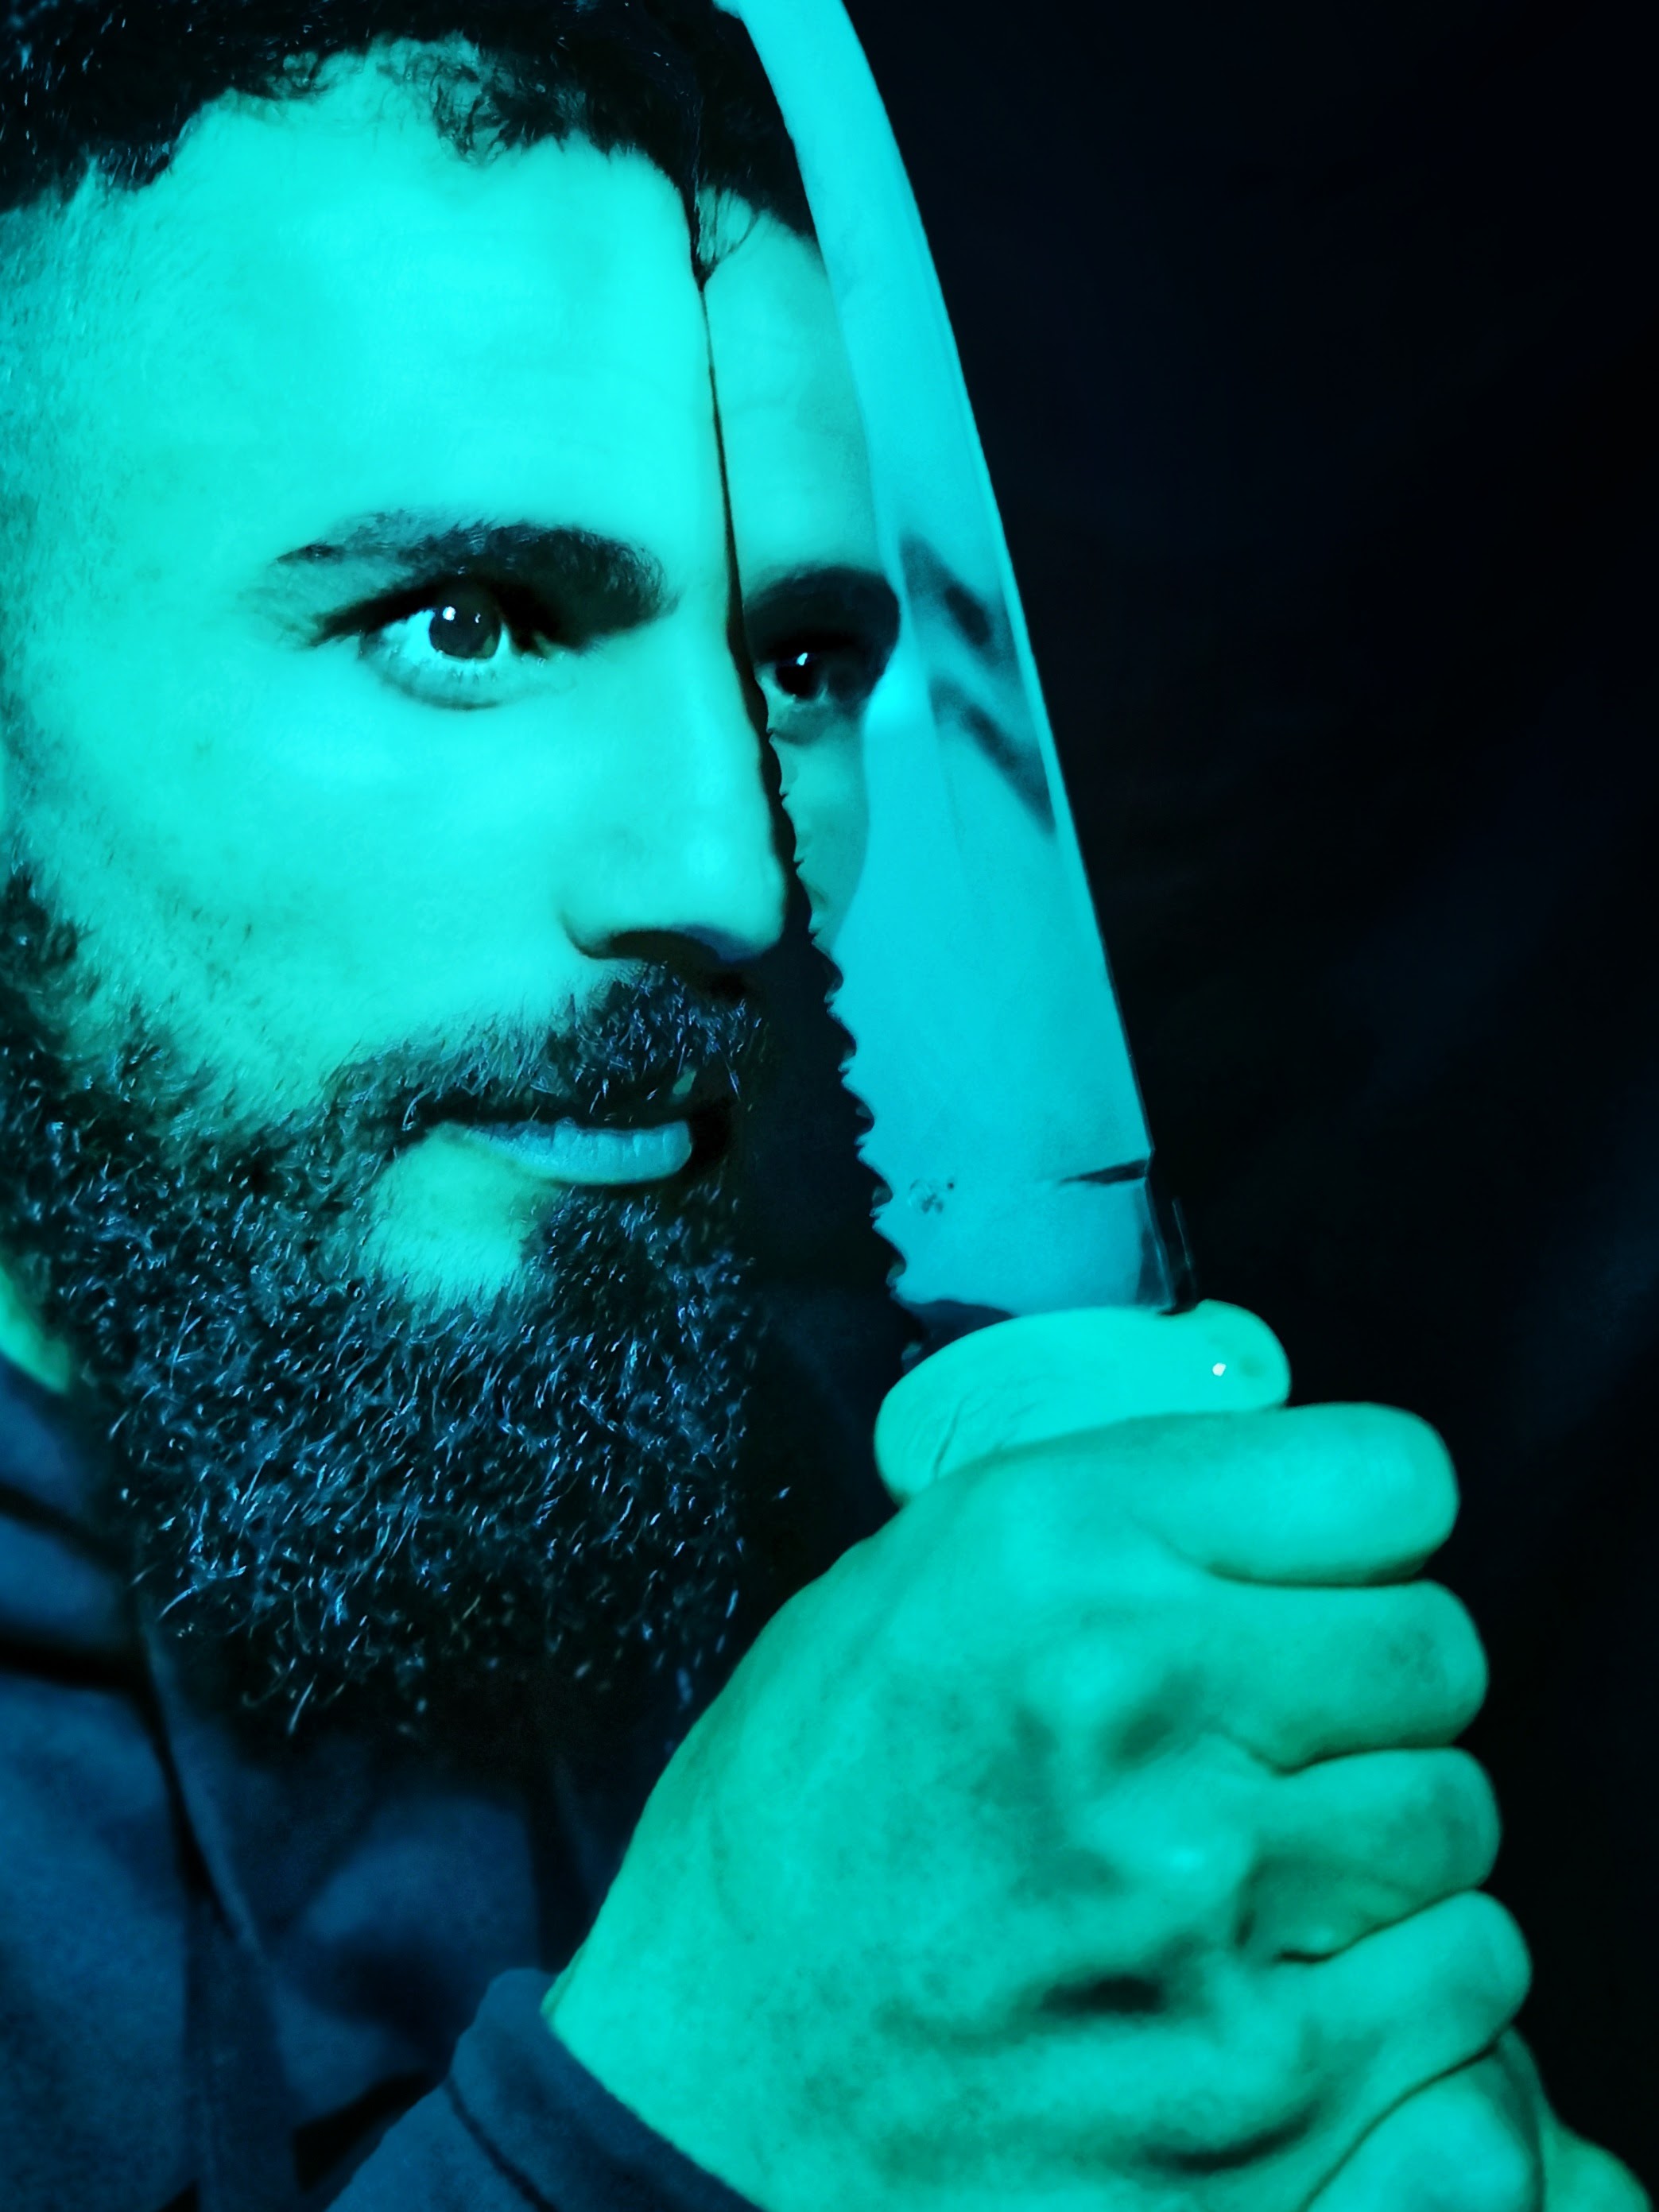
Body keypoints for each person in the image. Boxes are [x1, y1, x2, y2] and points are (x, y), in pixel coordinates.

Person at [0, 1, 1640, 2207]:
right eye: (466, 622)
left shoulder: (802, 1520)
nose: (734, 872)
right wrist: (712, 2110)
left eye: (797, 667)